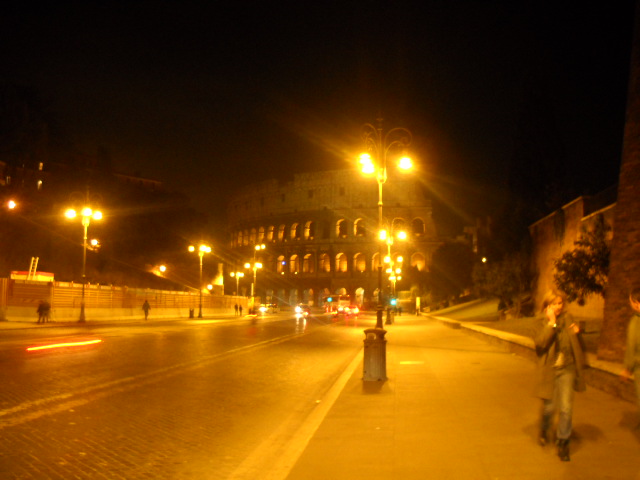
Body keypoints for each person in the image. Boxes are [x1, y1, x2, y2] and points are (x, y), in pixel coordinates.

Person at [533, 290, 586, 462]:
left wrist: (578, 332)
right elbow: (540, 344)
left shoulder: (568, 318)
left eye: (560, 303)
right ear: (547, 305)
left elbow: (575, 342)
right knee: (549, 408)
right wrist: (552, 323)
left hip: (567, 368)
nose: (558, 307)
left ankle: (563, 442)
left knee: (566, 408)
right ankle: (544, 428)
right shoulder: (540, 321)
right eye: (555, 303)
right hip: (550, 370)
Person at [621, 287, 640, 428]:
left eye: (631, 302)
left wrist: (628, 368)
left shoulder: (635, 321)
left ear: (637, 303)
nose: (630, 305)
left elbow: (632, 347)